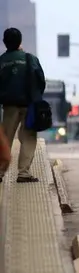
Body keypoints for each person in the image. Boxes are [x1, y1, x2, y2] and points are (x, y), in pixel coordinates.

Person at [0, 28, 44, 183]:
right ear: (20, 41)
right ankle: (24, 173)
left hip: (9, 106)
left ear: (4, 42)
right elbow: (40, 80)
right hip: (29, 106)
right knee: (29, 137)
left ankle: (0, 172)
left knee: (5, 138)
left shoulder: (1, 61)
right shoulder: (30, 58)